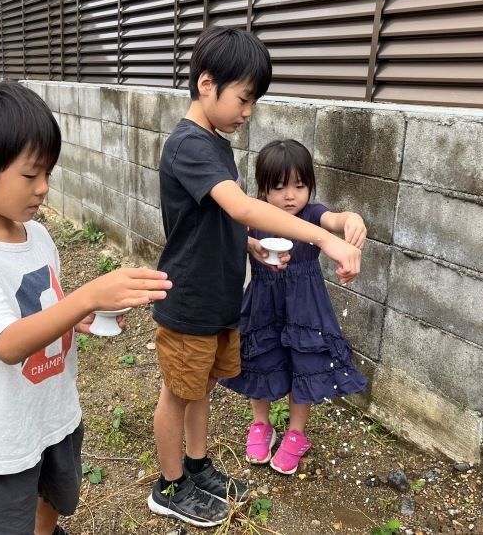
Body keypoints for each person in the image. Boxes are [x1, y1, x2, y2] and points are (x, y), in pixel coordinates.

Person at [0, 80, 172, 535]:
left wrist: (77, 316)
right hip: (6, 435)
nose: (44, 188)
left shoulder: (38, 237)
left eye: (48, 173)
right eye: (30, 175)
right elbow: (6, 343)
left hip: (56, 413)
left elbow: (46, 310)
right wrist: (86, 296)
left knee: (54, 496)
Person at [148, 27, 362, 528]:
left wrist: (250, 245)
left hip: (220, 298)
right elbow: (243, 206)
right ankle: (169, 484)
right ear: (207, 84)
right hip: (190, 299)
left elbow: (220, 220)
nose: (249, 112)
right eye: (245, 98)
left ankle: (197, 468)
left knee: (201, 388)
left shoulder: (217, 146)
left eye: (254, 101)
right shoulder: (188, 145)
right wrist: (324, 239)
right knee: (178, 393)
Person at [220, 139, 368, 476]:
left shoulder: (313, 214)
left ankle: (296, 433)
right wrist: (248, 243)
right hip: (262, 303)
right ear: (263, 190)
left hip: (306, 308)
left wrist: (352, 218)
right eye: (279, 187)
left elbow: (336, 218)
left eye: (299, 186)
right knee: (260, 360)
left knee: (304, 364)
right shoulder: (254, 215)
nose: (290, 196)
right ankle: (261, 424)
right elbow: (229, 235)